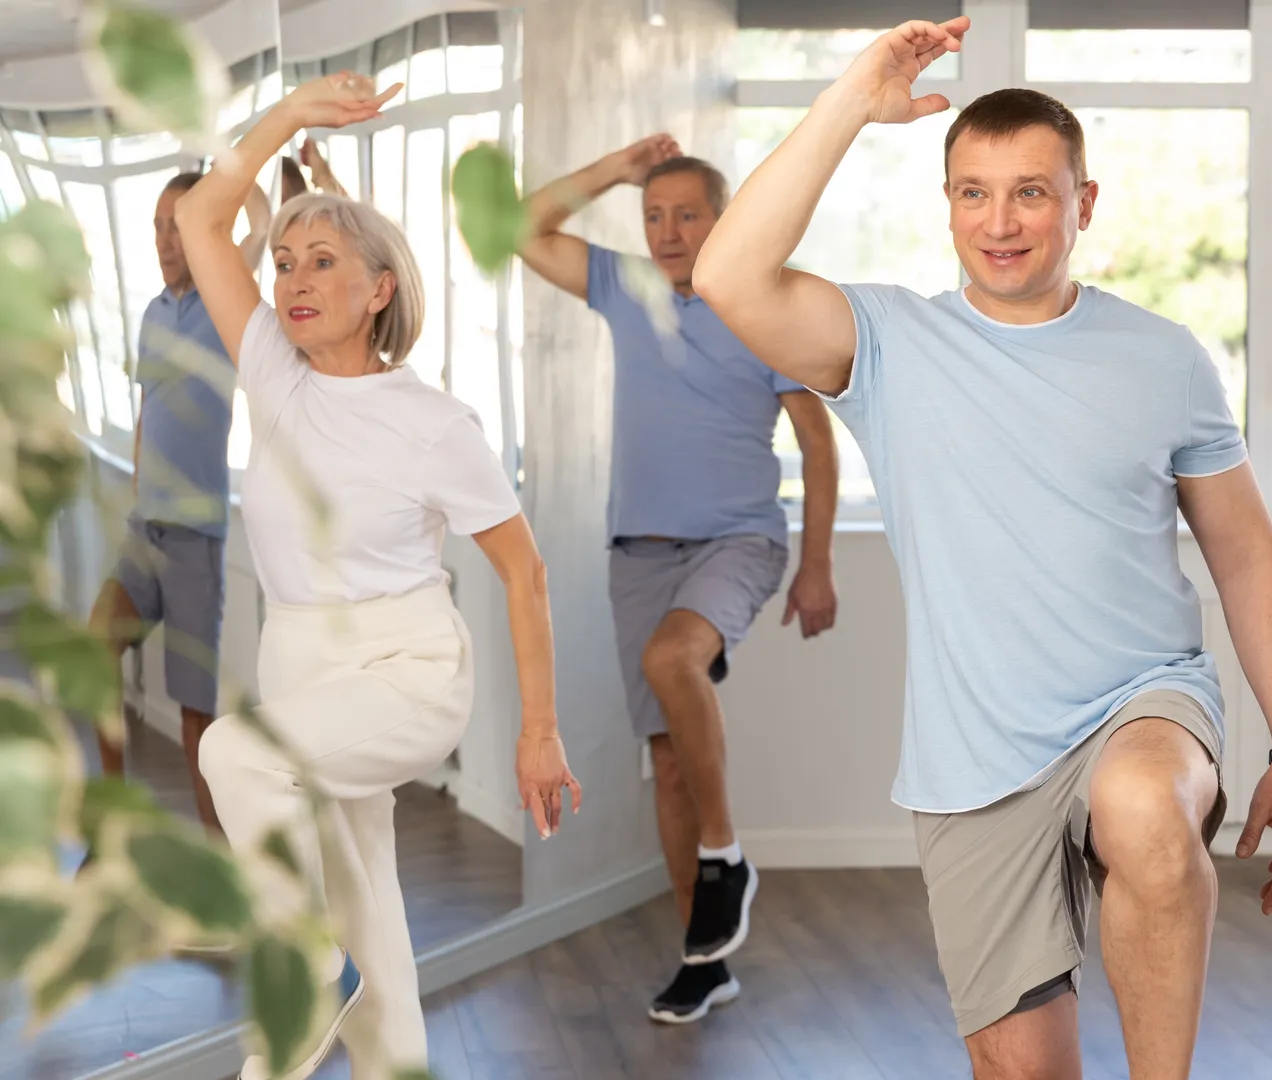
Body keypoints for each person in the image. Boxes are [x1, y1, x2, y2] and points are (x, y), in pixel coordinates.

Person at [695, 19, 1272, 1079]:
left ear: (1082, 204)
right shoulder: (890, 344)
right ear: (946, 206)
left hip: (1143, 698)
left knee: (1140, 809)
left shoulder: (1163, 358)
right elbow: (729, 275)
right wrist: (853, 98)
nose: (1001, 220)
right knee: (1022, 1069)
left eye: (1031, 190)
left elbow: (1245, 556)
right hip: (973, 755)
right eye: (974, 192)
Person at [176, 71, 583, 1080]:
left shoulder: (434, 423)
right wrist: (290, 116)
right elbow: (200, 214)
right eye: (281, 262)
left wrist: (539, 731)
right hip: (300, 654)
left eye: (322, 260)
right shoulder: (272, 370)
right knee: (363, 888)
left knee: (236, 755)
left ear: (379, 288)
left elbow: (522, 573)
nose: (292, 279)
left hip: (407, 664)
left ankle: (306, 972)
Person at [519, 133, 841, 1024]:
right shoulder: (626, 290)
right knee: (665, 763)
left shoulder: (758, 306)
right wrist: (615, 168)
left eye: (685, 213)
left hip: (736, 540)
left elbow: (817, 442)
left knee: (673, 663)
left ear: (723, 218)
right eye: (652, 214)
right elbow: (522, 226)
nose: (665, 230)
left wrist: (815, 564)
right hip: (637, 551)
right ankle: (704, 954)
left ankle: (727, 855)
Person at [89, 171, 267, 836]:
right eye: (159, 226)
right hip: (147, 532)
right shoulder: (151, 314)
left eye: (178, 224)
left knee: (197, 720)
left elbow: (264, 219)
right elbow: (148, 409)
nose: (165, 239)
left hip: (196, 541)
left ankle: (219, 862)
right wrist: (140, 480)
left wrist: (230, 166)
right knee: (93, 652)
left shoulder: (222, 300)